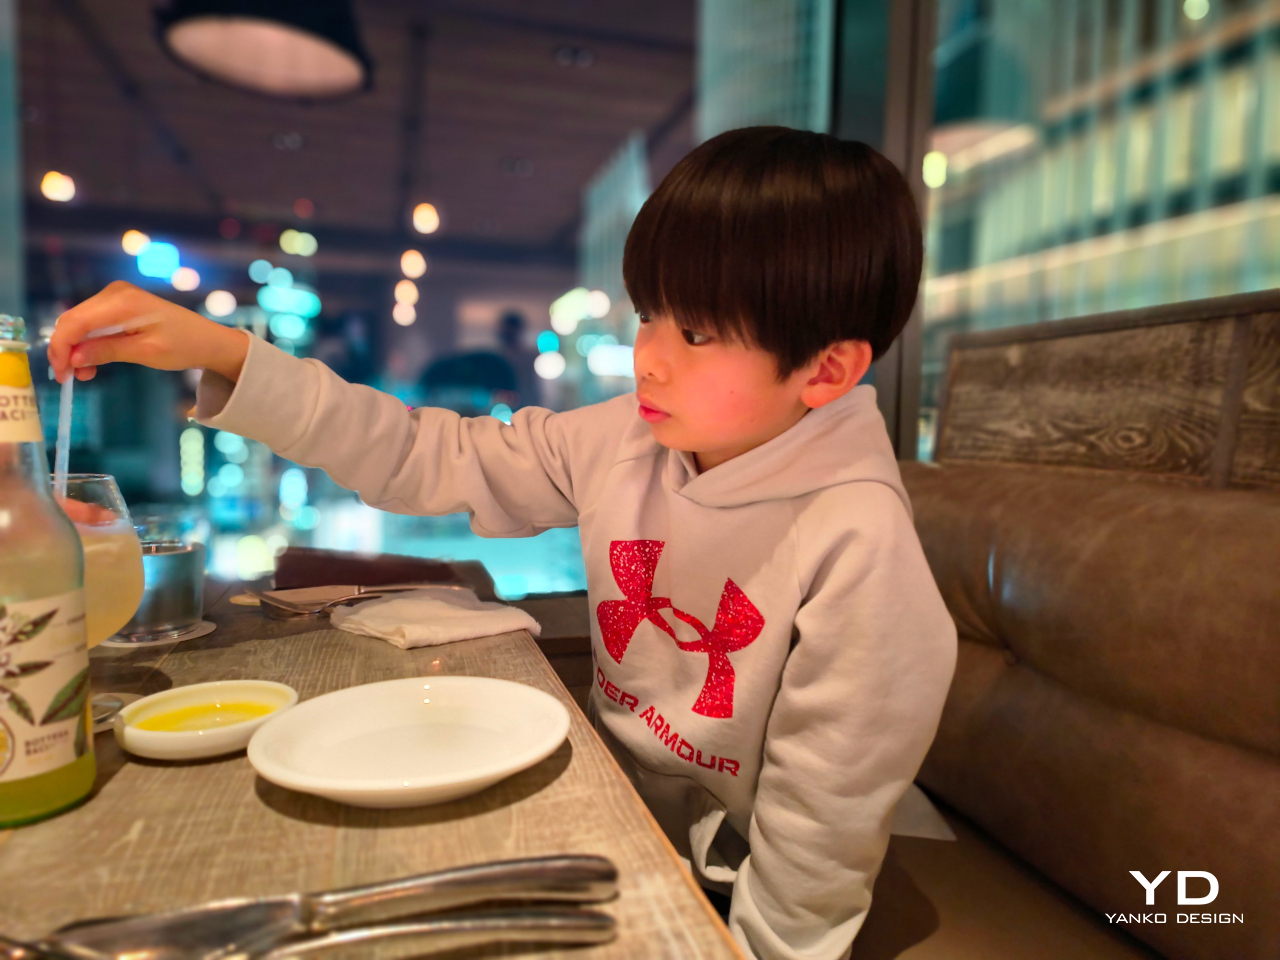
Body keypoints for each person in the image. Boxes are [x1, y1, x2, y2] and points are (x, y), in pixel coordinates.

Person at [49, 126, 957, 960]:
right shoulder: (626, 438)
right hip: (608, 805)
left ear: (825, 370)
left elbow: (819, 827)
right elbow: (423, 455)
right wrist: (226, 355)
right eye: (649, 314)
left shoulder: (858, 541)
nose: (647, 356)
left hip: (735, 876)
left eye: (696, 332)